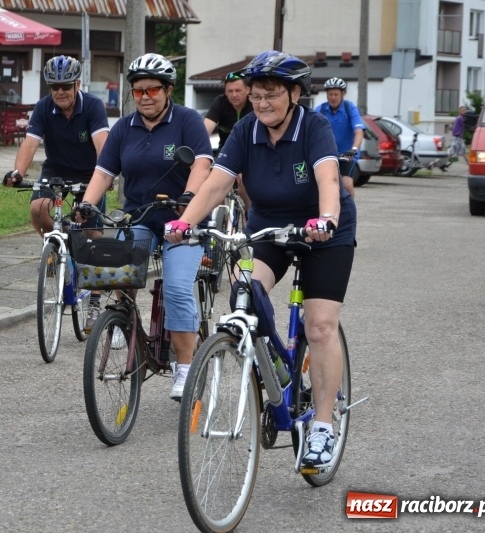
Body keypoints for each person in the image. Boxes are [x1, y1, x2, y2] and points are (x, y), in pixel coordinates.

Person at [164, 50, 356, 469]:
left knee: (320, 326)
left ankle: (323, 425)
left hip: (324, 231)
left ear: (294, 94)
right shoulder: (246, 130)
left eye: (271, 94)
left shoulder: (315, 127)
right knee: (244, 294)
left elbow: (327, 178)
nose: (262, 103)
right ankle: (277, 369)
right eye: (255, 96)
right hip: (269, 225)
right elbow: (216, 186)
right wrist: (183, 223)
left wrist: (326, 218)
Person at [78, 53, 213, 401]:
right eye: (138, 92)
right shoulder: (124, 127)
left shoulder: (188, 121)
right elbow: (103, 172)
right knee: (120, 275)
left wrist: (189, 196)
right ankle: (123, 319)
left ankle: (184, 367)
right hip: (141, 217)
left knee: (178, 288)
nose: (145, 97)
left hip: (183, 218)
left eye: (152, 89)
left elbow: (201, 164)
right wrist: (87, 205)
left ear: (168, 90)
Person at [2, 55, 110, 331]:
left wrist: (106, 175)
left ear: (77, 84)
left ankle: (95, 302)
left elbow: (103, 145)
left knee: (92, 236)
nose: (60, 92)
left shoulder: (93, 106)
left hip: (91, 175)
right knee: (38, 209)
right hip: (56, 171)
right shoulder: (43, 108)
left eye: (65, 86)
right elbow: (30, 144)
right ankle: (57, 247)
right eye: (54, 87)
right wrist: (18, 172)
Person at [314, 77, 363, 196]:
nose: (333, 97)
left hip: (347, 155)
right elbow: (312, 131)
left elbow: (359, 131)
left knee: (346, 184)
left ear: (343, 94)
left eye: (336, 94)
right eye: (330, 94)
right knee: (321, 184)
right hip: (328, 154)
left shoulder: (349, 108)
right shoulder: (320, 110)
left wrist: (354, 150)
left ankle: (350, 212)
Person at [203, 71, 254, 151]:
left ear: (248, 90)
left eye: (238, 90)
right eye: (230, 91)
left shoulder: (255, 103)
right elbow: (204, 132)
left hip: (251, 153)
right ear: (225, 92)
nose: (234, 95)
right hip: (225, 153)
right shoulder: (220, 102)